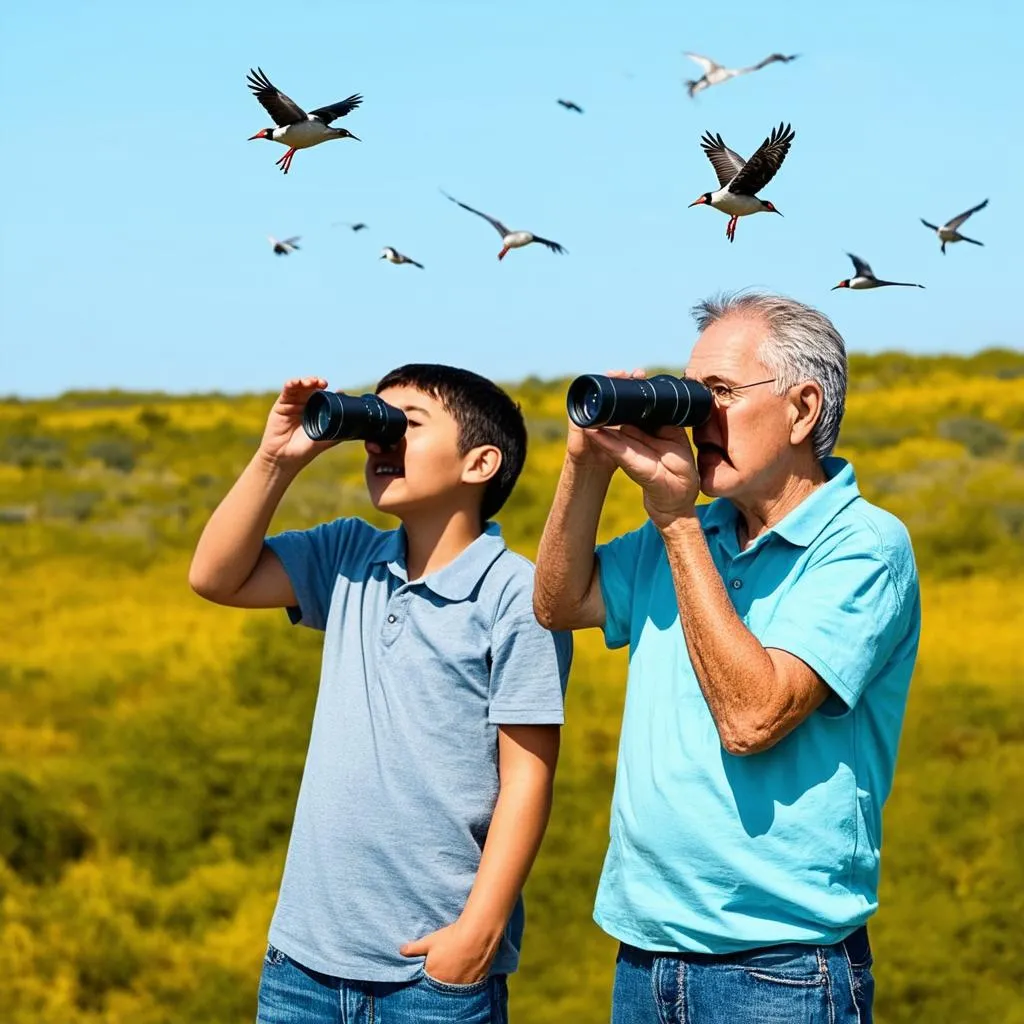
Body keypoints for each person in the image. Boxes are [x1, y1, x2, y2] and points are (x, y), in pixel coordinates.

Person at [533, 292, 920, 1024]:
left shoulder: (864, 546)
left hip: (779, 969)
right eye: (690, 393)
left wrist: (676, 522)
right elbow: (559, 602)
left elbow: (751, 717)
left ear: (802, 409)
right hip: (645, 951)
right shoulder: (696, 532)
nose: (694, 418)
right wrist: (585, 466)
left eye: (719, 395)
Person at [190, 364, 572, 1024]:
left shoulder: (516, 594)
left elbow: (527, 779)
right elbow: (215, 576)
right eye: (376, 421)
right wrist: (275, 460)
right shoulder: (348, 555)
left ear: (481, 463)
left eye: (407, 425)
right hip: (302, 963)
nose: (380, 439)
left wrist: (476, 936)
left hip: (429, 972)